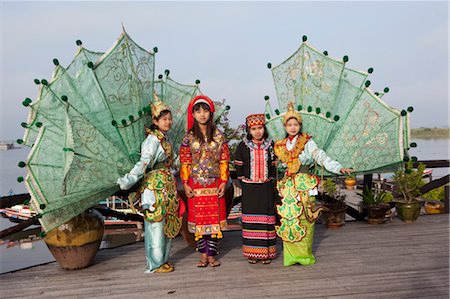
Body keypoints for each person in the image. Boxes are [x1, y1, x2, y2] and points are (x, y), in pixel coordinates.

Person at [274, 102, 353, 267]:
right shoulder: (280, 145)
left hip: (305, 184)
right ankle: (290, 256)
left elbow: (321, 157)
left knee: (306, 218)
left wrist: (338, 167)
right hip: (289, 187)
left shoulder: (307, 142)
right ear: (285, 126)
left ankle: (304, 256)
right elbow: (279, 165)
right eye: (289, 124)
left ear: (300, 125)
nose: (293, 127)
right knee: (289, 220)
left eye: (295, 124)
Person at [117, 96, 183, 273]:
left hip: (167, 185)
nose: (168, 122)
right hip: (153, 188)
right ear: (155, 121)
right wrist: (129, 179)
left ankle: (163, 260)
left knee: (167, 224)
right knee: (155, 226)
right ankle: (154, 264)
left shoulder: (165, 139)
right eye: (164, 119)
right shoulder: (152, 140)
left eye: (169, 119)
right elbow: (144, 163)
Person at [180, 95, 230, 268]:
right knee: (200, 222)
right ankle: (203, 254)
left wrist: (224, 181)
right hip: (195, 184)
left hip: (215, 184)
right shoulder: (188, 137)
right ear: (193, 114)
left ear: (210, 113)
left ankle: (211, 254)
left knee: (213, 222)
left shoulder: (219, 136)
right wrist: (185, 183)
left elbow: (224, 160)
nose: (202, 114)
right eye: (198, 111)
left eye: (205, 110)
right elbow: (185, 161)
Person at [234, 114, 277, 264]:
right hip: (250, 188)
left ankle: (267, 253)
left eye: (260, 128)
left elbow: (274, 166)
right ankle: (252, 253)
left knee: (266, 220)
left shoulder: (271, 145)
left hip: (266, 187)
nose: (257, 131)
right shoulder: (242, 146)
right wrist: (244, 182)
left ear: (264, 128)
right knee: (251, 220)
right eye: (254, 129)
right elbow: (238, 166)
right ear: (249, 130)